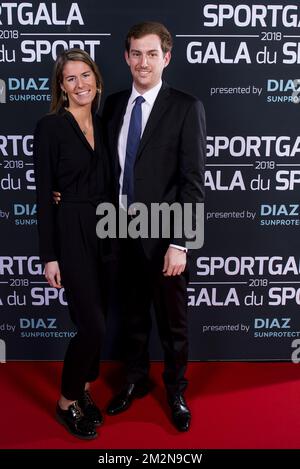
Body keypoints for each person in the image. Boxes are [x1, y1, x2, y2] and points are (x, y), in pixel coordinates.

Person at [102, 22, 206, 432]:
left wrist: (180, 242)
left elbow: (192, 182)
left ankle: (176, 390)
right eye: (136, 54)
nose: (143, 63)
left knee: (172, 322)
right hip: (118, 231)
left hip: (165, 235)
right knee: (130, 316)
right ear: (126, 58)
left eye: (151, 54)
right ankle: (133, 380)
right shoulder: (111, 106)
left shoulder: (185, 107)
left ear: (166, 57)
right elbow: (106, 171)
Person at [33, 48, 110, 440]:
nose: (80, 85)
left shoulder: (105, 122)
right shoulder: (50, 127)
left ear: (96, 79)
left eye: (85, 76)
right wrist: (49, 256)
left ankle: (83, 390)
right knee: (92, 324)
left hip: (108, 231)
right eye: (70, 79)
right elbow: (45, 195)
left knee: (96, 319)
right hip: (72, 230)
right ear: (61, 88)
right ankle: (66, 401)